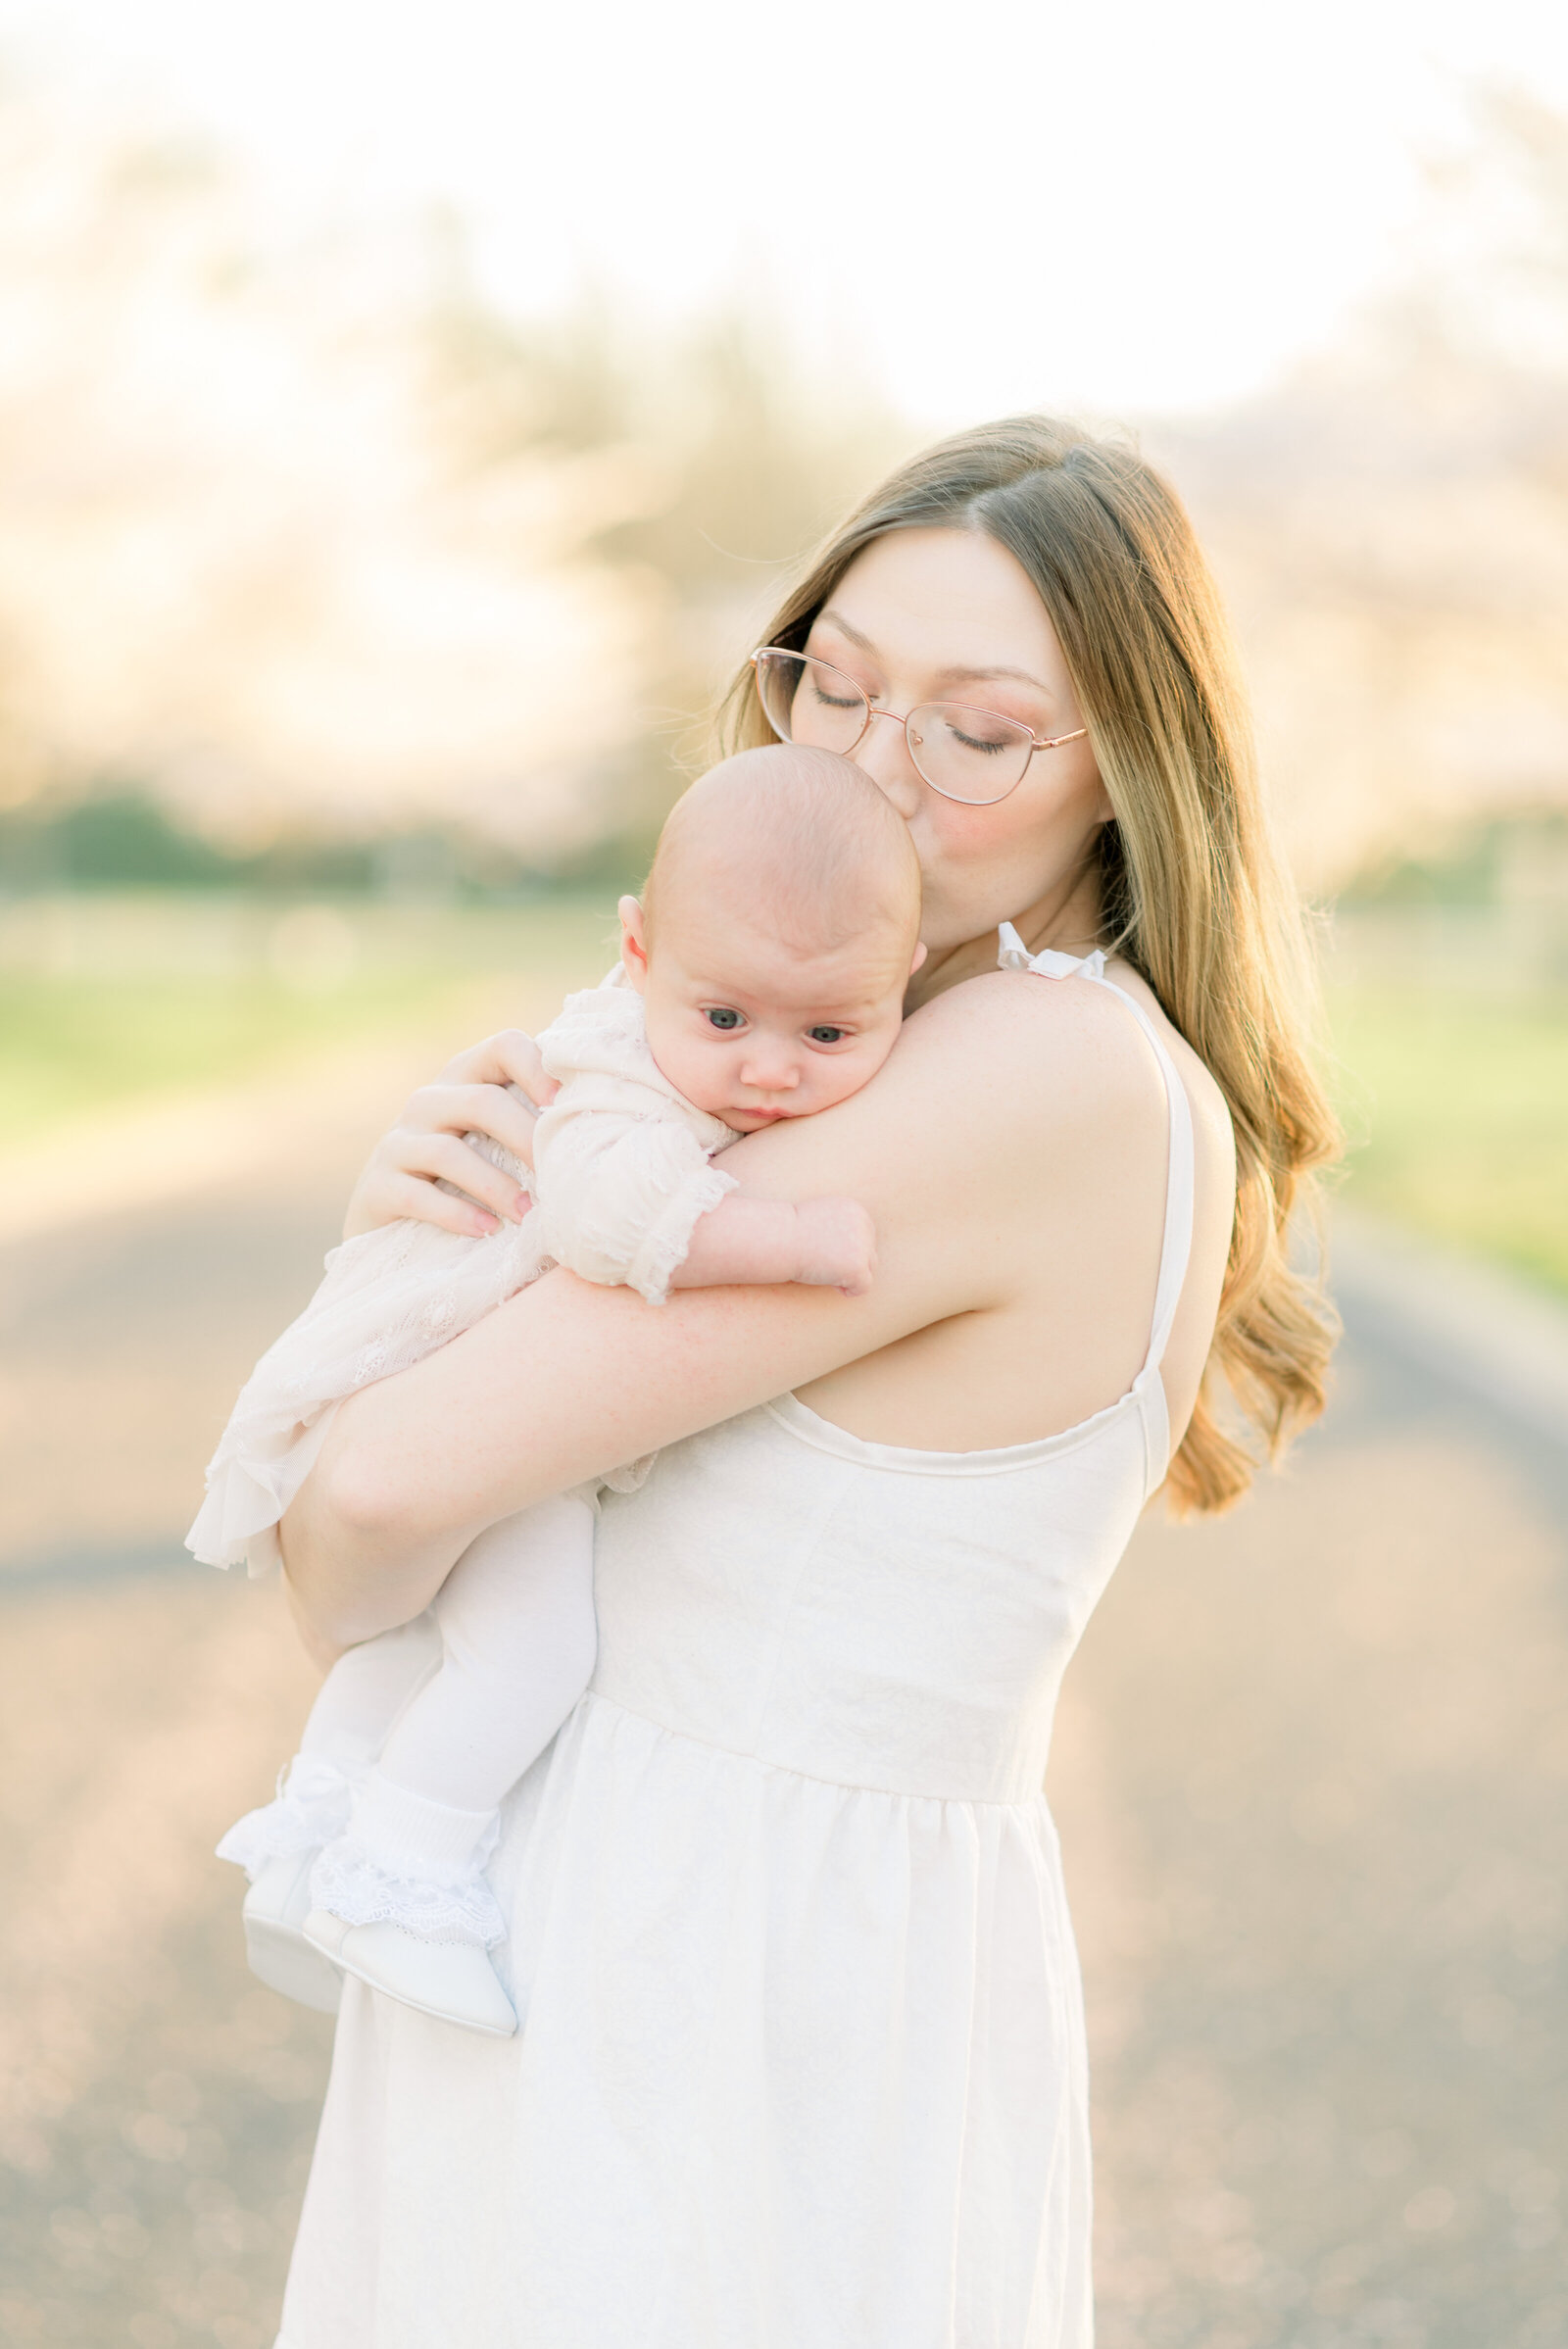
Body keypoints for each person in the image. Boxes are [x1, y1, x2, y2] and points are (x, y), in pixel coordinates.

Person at [270, 416, 1340, 2349]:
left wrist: (385, 1337)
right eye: (830, 687)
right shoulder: (868, 1058)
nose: (868, 771)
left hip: (699, 1961)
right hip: (689, 1937)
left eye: (977, 729)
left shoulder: (1038, 1069)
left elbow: (360, 1514)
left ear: (1134, 778)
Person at [192, 747, 921, 2037]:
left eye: (828, 1032)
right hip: (449, 1364)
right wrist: (796, 1243)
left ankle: (315, 1831)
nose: (767, 1070)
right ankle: (405, 1868)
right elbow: (606, 1216)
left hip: (454, 1366)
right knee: (536, 1647)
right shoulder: (615, 1078)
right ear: (637, 953)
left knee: (423, 1638)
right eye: (726, 1020)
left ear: (898, 987)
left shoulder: (686, 1036)